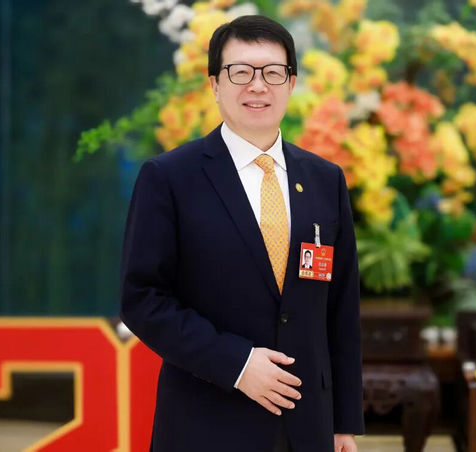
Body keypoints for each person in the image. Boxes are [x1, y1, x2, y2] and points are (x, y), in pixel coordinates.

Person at [120, 15, 364, 452]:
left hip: (307, 427)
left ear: (291, 83)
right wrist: (237, 364)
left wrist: (343, 422)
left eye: (273, 72)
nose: (258, 85)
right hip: (206, 423)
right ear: (215, 84)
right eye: (240, 72)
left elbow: (341, 309)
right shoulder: (170, 177)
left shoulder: (325, 180)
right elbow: (143, 300)